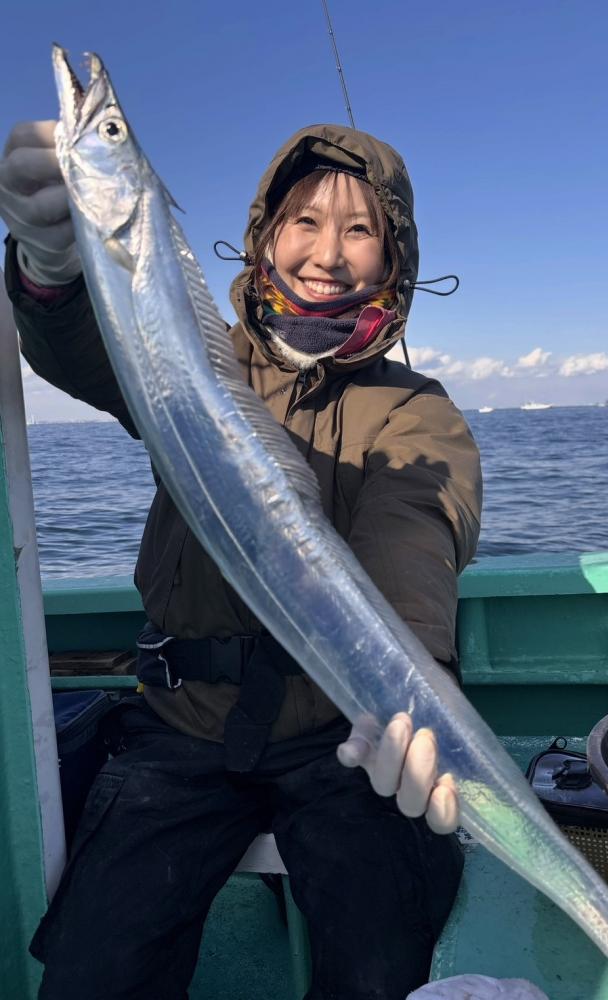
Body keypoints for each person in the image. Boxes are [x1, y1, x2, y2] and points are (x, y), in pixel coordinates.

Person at [1, 119, 482, 1000]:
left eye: (359, 229)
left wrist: (410, 692)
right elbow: (86, 350)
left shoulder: (413, 409)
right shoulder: (188, 353)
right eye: (304, 220)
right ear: (264, 235)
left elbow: (413, 529)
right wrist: (50, 271)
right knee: (97, 970)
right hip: (181, 724)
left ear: (392, 258)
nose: (326, 253)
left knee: (380, 963)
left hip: (342, 734)